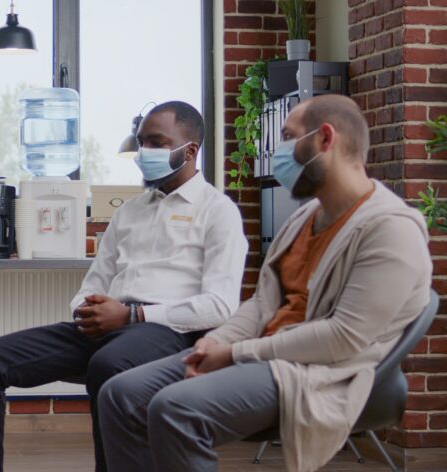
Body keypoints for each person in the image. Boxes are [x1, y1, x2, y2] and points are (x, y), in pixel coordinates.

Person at [98, 95, 433, 472]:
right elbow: (261, 304)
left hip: (321, 370)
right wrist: (218, 340)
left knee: (174, 408)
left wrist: (235, 353)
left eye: (288, 137)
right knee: (120, 393)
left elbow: (344, 338)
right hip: (262, 352)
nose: (278, 152)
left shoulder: (391, 229)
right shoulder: (305, 217)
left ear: (325, 139)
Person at [0, 101, 249, 472]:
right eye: (142, 142)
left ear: (190, 150)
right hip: (108, 323)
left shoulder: (218, 210)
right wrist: (87, 307)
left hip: (167, 330)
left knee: (108, 364)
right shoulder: (130, 211)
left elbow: (220, 306)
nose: (145, 152)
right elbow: (94, 281)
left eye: (157, 143)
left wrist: (131, 315)